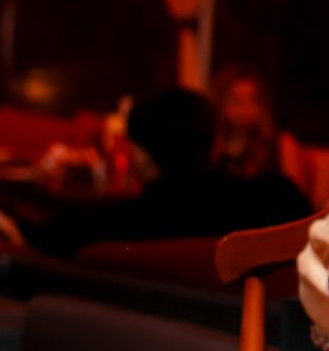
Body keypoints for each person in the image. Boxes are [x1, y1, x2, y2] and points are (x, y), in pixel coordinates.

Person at [29, 88, 310, 257]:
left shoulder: (124, 225)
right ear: (215, 143)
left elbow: (50, 237)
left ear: (141, 155)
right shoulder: (281, 200)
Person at [211, 66, 307, 189]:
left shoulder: (281, 145)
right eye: (236, 101)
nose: (245, 109)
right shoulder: (211, 147)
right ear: (220, 103)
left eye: (252, 100)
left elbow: (295, 194)